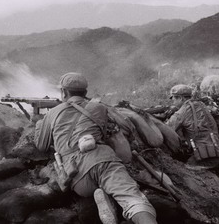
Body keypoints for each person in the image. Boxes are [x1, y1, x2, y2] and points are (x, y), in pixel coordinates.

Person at [34, 72, 157, 224]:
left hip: (76, 175)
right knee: (133, 199)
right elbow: (106, 134)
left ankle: (102, 196)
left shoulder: (52, 113)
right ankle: (113, 197)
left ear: (64, 92)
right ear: (85, 93)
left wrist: (40, 124)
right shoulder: (99, 108)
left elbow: (41, 145)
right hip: (104, 160)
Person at [166, 84, 219, 184]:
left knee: (184, 176)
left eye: (173, 98)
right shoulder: (202, 105)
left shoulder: (182, 112)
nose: (172, 101)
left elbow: (167, 130)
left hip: (208, 155)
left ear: (181, 98)